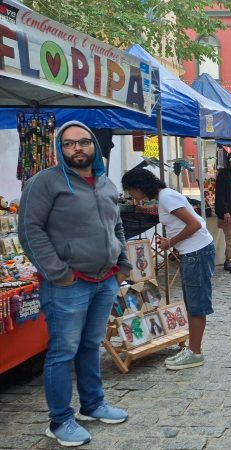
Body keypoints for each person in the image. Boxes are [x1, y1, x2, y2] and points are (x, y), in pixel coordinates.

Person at [19, 121, 131, 447]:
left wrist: (122, 264)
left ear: (94, 145)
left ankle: (92, 405)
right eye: (69, 144)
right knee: (62, 352)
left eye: (83, 142)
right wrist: (58, 272)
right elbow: (30, 229)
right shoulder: (45, 183)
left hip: (104, 280)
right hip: (67, 284)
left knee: (89, 346)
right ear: (60, 149)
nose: (77, 148)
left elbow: (117, 226)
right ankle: (60, 420)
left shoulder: (105, 183)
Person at [121, 168, 215, 371]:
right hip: (193, 252)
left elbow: (194, 224)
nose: (132, 197)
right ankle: (192, 348)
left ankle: (196, 352)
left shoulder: (166, 197)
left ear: (139, 187)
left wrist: (170, 242)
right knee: (191, 301)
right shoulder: (165, 196)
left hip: (196, 252)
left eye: (131, 191)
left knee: (196, 303)